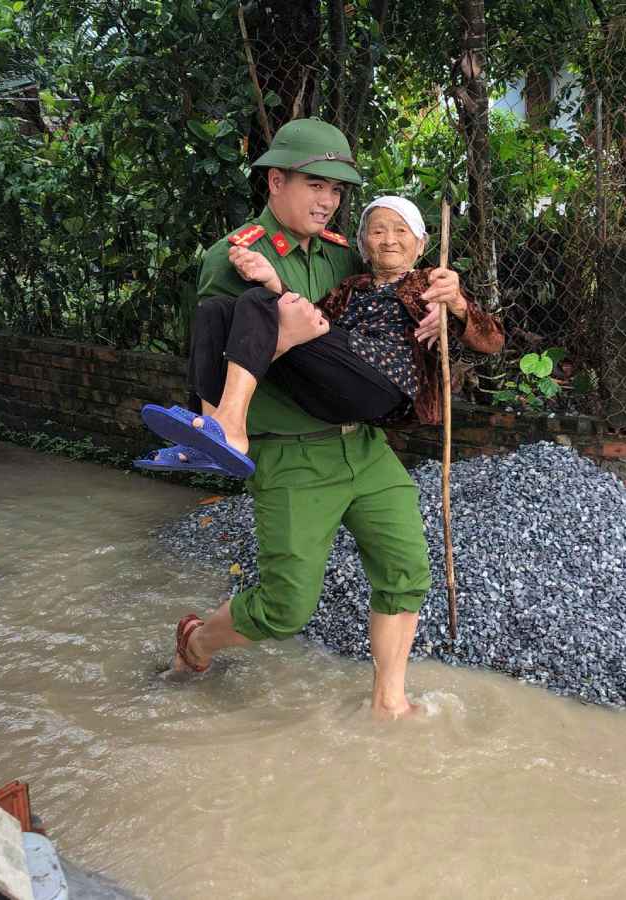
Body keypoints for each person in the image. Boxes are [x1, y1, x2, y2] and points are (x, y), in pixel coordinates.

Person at [160, 119, 482, 719]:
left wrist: (445, 307)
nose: (327, 200)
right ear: (276, 181)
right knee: (286, 607)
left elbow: (387, 306)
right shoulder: (238, 255)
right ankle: (197, 642)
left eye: (336, 190)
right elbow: (219, 353)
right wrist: (285, 341)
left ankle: (390, 702)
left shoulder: (338, 257)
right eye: (315, 184)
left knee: (406, 566)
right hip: (291, 451)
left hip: (362, 445)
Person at [143, 194, 503, 473]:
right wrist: (273, 281)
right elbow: (305, 323)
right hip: (334, 382)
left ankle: (232, 432)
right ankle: (208, 432)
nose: (389, 240)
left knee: (259, 301)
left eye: (400, 230)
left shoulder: (432, 285)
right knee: (216, 308)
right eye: (377, 231)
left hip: (381, 386)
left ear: (420, 244)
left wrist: (457, 304)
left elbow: (492, 343)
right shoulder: (350, 288)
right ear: (364, 245)